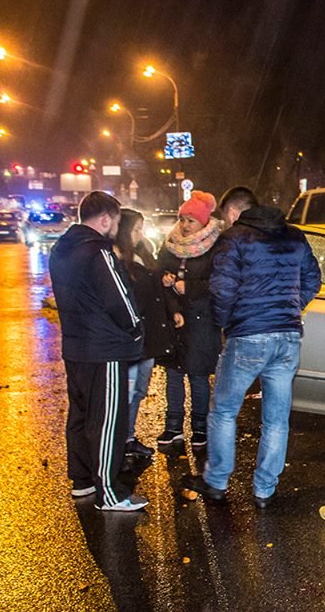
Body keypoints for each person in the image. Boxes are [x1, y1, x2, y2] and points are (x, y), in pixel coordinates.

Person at [183, 192, 321, 508]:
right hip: (287, 336)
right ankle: (264, 489)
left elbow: (222, 288)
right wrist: (291, 307)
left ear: (234, 211)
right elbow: (314, 279)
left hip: (247, 335)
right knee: (276, 417)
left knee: (224, 410)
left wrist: (226, 321)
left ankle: (216, 481)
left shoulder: (235, 239)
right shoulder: (294, 236)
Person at [49, 191, 147, 511]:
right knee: (107, 420)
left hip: (75, 346)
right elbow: (118, 299)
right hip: (104, 349)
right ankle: (110, 492)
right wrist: (135, 328)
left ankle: (82, 480)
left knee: (80, 415)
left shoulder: (61, 250)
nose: (116, 229)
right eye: (116, 222)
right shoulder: (99, 253)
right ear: (105, 219)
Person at [114, 208, 183, 460]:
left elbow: (155, 288)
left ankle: (128, 437)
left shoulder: (144, 253)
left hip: (149, 334)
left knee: (140, 389)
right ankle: (119, 442)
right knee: (128, 391)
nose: (140, 234)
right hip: (131, 337)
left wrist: (170, 309)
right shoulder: (117, 260)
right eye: (136, 229)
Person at [155, 191, 222, 450]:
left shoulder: (215, 246)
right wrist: (165, 281)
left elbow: (219, 282)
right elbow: (159, 270)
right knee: (173, 372)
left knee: (198, 375)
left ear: (204, 222)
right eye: (182, 219)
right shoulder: (170, 243)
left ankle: (200, 428)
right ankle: (173, 426)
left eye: (191, 220)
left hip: (203, 319)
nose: (184, 225)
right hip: (175, 318)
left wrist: (190, 287)